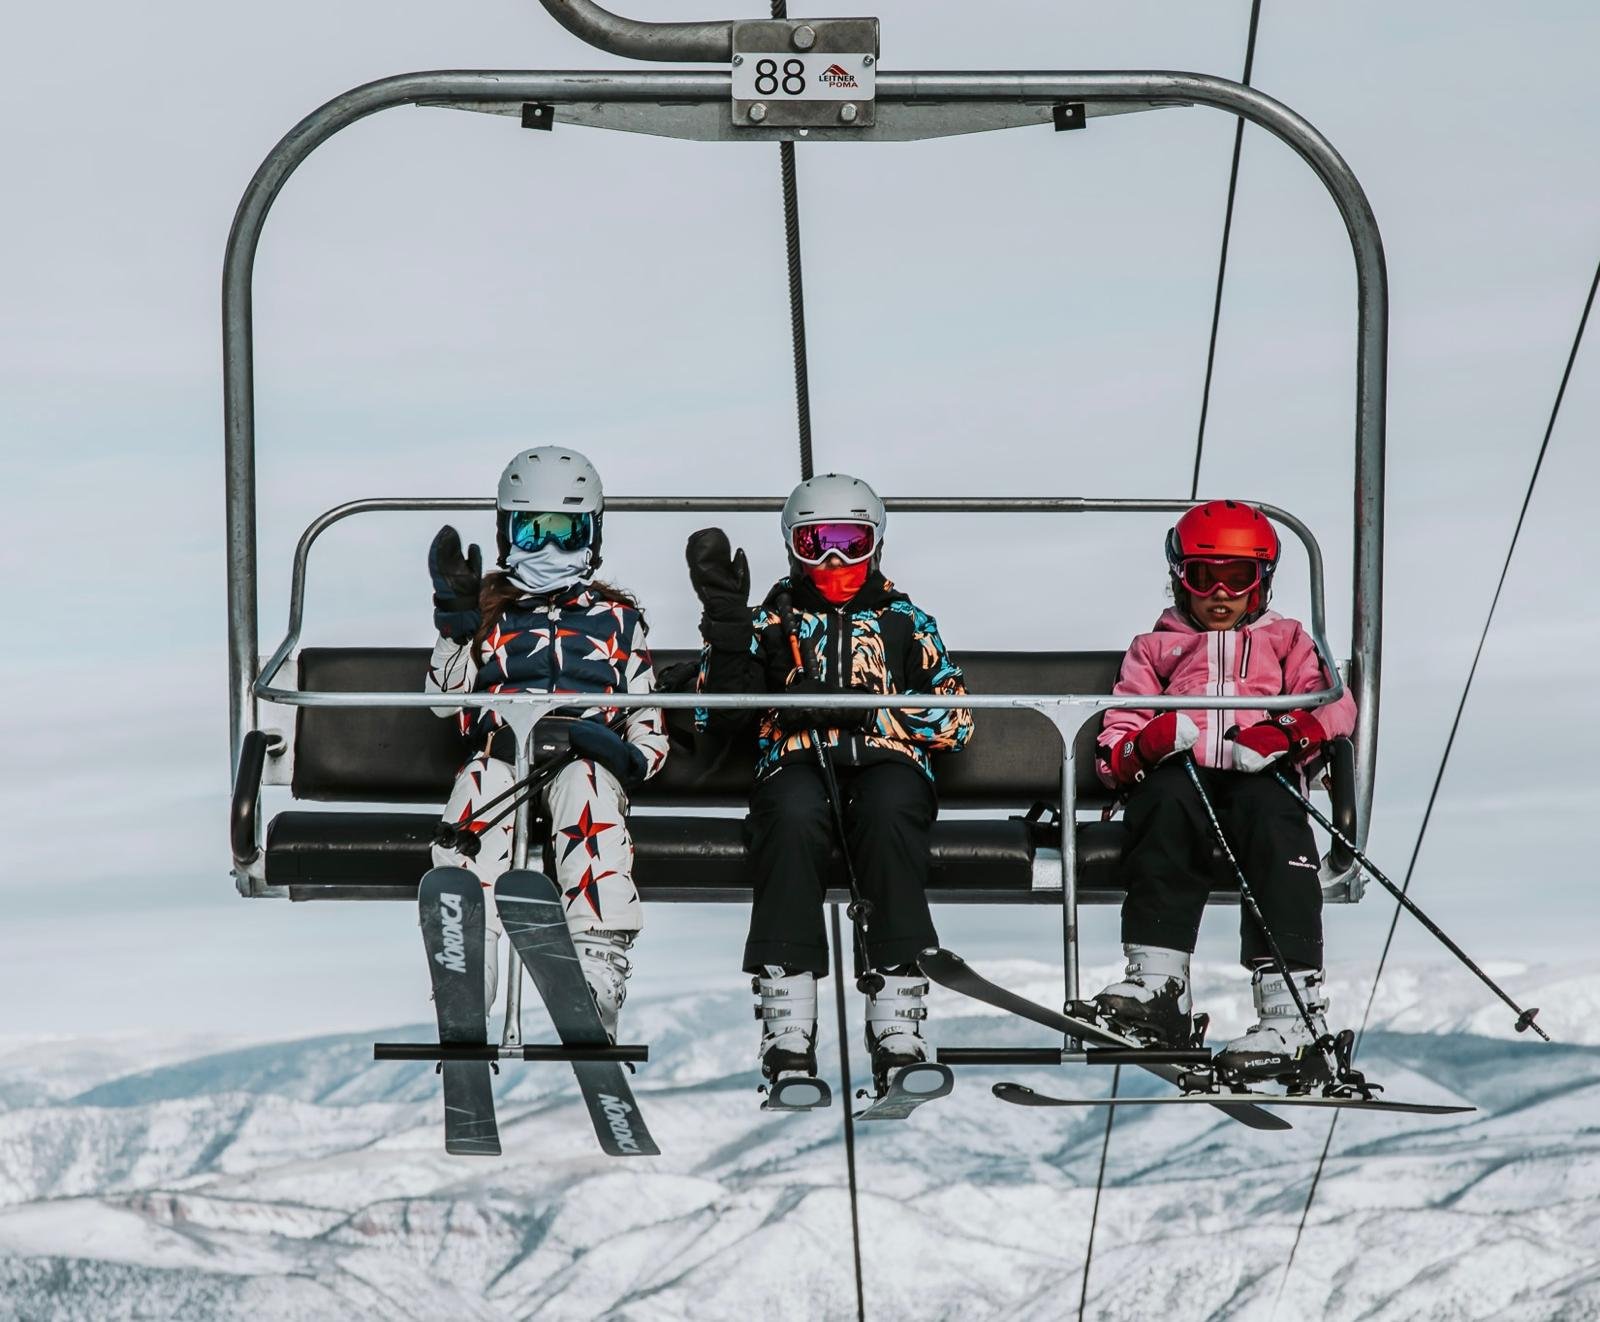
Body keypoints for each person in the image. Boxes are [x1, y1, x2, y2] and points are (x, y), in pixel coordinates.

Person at [686, 473, 973, 1094]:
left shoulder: (906, 623)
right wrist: (730, 634)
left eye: (850, 539)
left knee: (891, 811)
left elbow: (956, 721)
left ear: (875, 543)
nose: (834, 558)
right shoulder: (768, 624)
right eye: (818, 542)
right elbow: (715, 718)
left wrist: (868, 708)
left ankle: (898, 1025)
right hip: (794, 763)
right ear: (793, 545)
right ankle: (788, 1029)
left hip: (888, 762)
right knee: (790, 817)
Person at [1091, 499, 1357, 1083]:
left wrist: (1283, 731)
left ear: (1261, 582)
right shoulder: (1154, 649)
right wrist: (1148, 744)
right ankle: (1158, 984)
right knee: (1160, 806)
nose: (1218, 592)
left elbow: (1334, 704)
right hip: (1183, 779)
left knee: (1274, 819)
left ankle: (1291, 1012)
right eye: (1201, 576)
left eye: (1237, 578)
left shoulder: (1287, 641)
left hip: (1258, 775)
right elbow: (1118, 740)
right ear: (1178, 578)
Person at [425, 446, 668, 1040]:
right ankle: (466, 968)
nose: (549, 549)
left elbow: (651, 728)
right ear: (508, 534)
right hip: (505, 762)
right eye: (533, 530)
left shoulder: (619, 621)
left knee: (587, 793)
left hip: (582, 760)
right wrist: (454, 630)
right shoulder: (485, 614)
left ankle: (593, 971)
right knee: (480, 785)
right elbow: (441, 699)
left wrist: (624, 756)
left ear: (592, 533)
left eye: (566, 531)